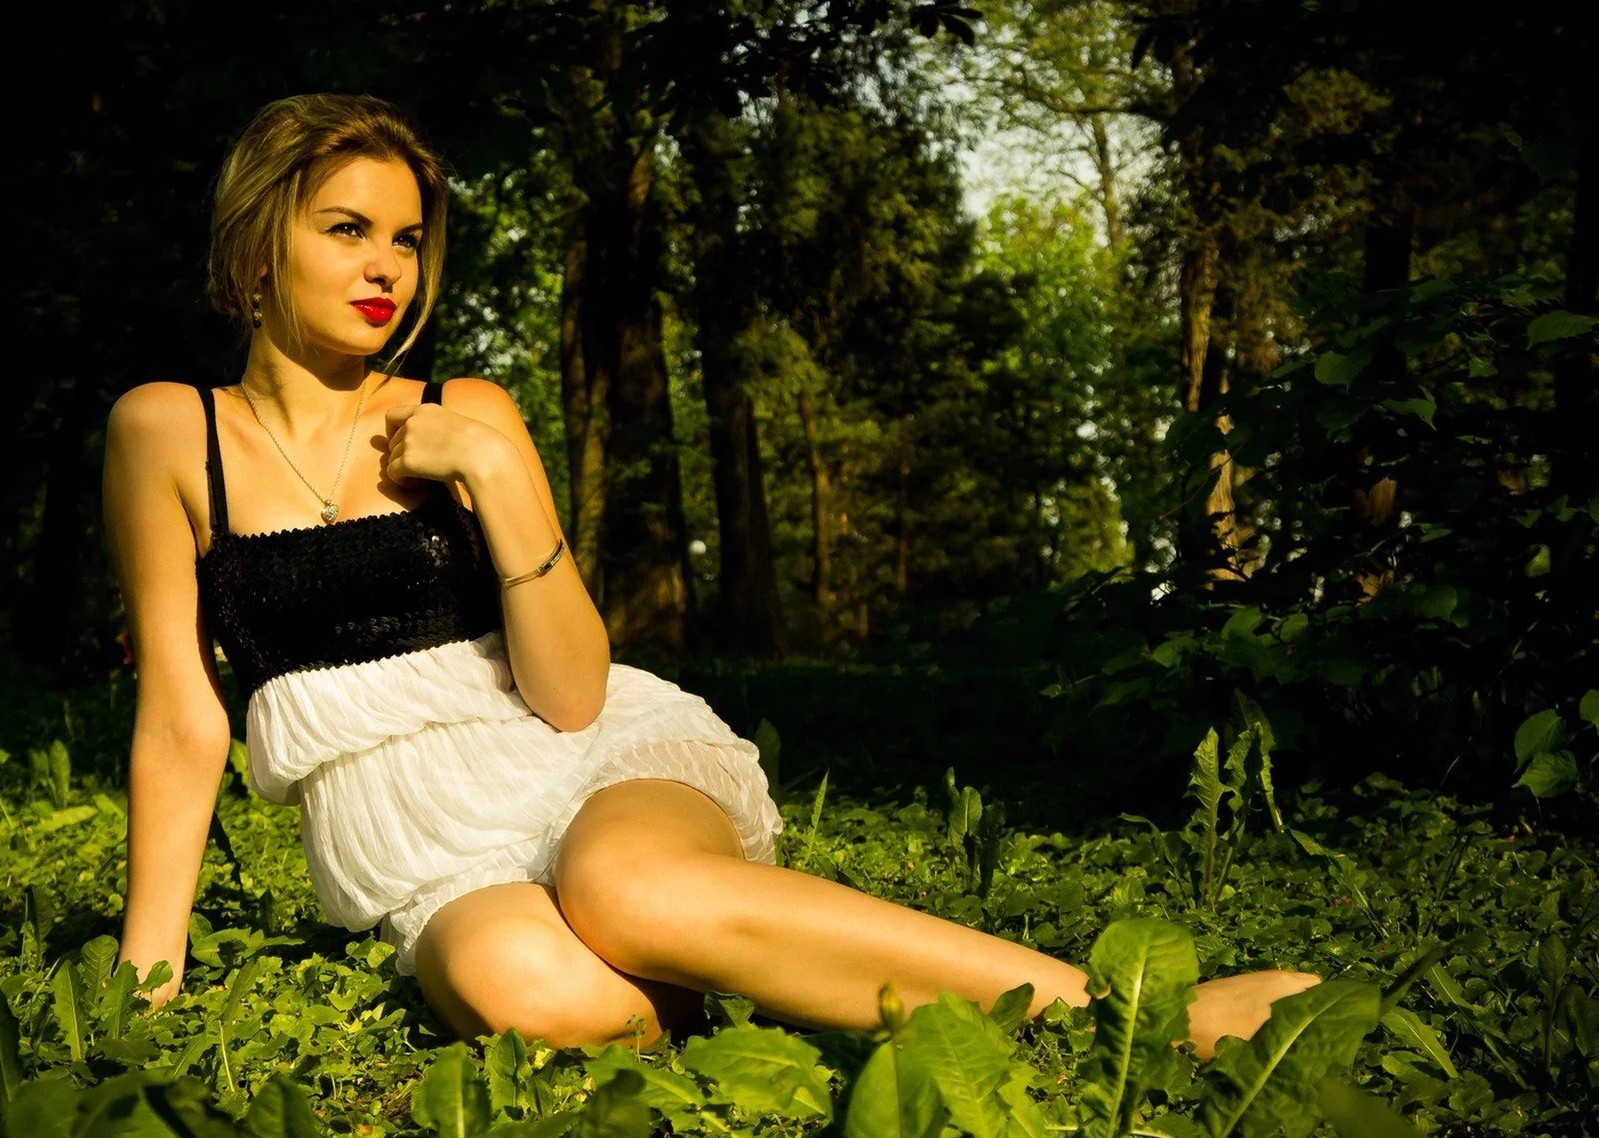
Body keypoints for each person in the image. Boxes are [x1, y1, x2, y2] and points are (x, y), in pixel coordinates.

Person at [100, 93, 1318, 1056]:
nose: (388, 267)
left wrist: (499, 471)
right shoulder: (166, 433)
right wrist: (145, 981)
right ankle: (760, 976)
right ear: (259, 245)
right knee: (526, 990)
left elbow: (570, 693)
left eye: (408, 238)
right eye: (347, 229)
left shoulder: (464, 411)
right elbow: (182, 717)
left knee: (625, 890)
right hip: (423, 845)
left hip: (589, 764)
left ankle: (1128, 1018)